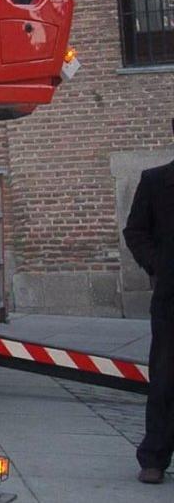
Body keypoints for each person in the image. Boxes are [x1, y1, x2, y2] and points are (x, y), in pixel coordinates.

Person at [123, 128, 174, 484]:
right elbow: (135, 231)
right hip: (171, 298)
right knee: (165, 379)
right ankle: (154, 456)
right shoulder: (156, 182)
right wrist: (159, 265)